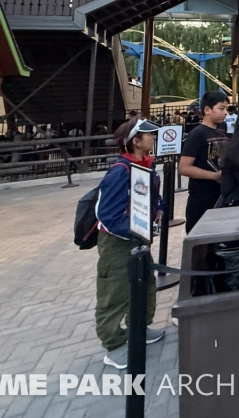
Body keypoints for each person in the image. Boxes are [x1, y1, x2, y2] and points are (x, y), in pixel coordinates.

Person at [95, 118, 167, 369]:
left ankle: (139, 327)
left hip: (139, 235)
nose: (152, 140)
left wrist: (158, 210)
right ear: (135, 141)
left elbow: (153, 197)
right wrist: (134, 230)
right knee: (114, 290)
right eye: (148, 136)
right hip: (118, 241)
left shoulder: (146, 166)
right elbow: (107, 214)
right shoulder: (120, 171)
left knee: (145, 282)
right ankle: (113, 343)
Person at [177, 91, 229, 232]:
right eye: (221, 108)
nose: (225, 113)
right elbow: (183, 167)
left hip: (221, 196)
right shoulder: (197, 134)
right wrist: (214, 176)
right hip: (202, 197)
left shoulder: (221, 132)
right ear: (207, 110)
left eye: (226, 109)